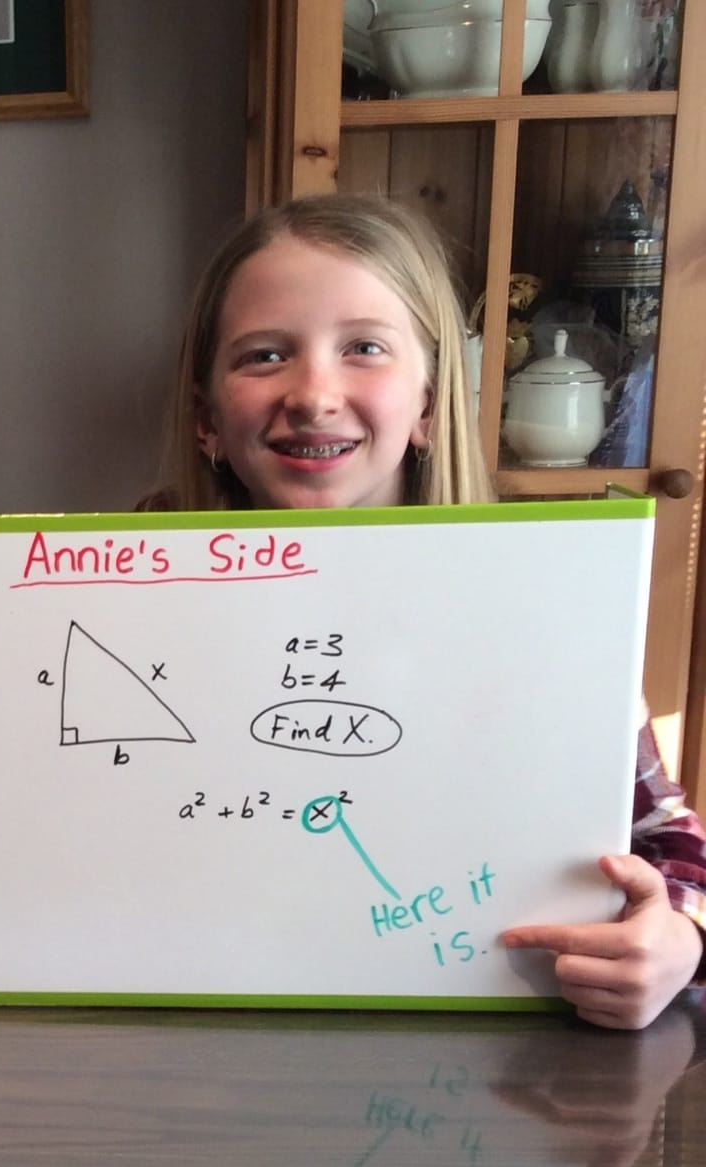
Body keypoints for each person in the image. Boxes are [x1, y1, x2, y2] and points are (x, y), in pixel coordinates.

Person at [148, 193, 706, 1032]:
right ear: (206, 423)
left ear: (429, 404)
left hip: (482, 1057)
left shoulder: (542, 602)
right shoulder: (129, 589)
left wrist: (678, 943)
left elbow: (673, 850)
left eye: (364, 347)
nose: (313, 393)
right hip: (186, 1039)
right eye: (264, 356)